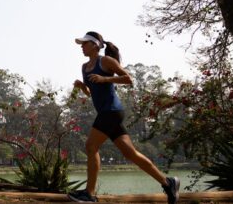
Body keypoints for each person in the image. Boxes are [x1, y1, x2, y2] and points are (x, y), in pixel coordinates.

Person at [67, 31, 180, 204]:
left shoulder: (105, 61)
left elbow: (129, 79)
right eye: (81, 44)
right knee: (130, 154)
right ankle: (168, 183)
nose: (81, 46)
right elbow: (91, 92)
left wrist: (105, 79)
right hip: (106, 113)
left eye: (84, 43)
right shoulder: (84, 67)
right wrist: (82, 86)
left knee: (91, 146)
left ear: (95, 45)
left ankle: (89, 194)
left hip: (112, 111)